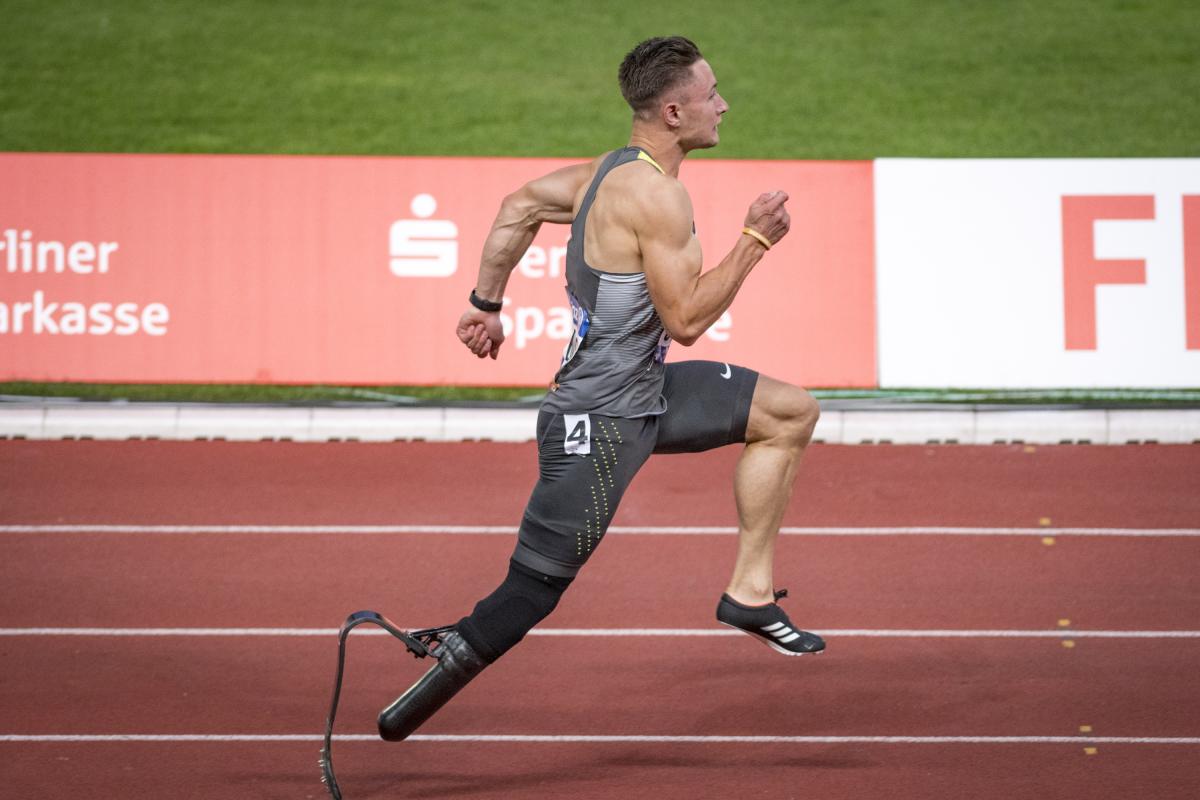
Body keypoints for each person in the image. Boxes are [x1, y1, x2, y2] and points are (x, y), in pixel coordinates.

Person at [377, 35, 823, 742]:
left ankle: (749, 591)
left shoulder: (606, 172)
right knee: (532, 592)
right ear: (674, 112)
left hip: (645, 395)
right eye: (712, 95)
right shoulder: (657, 198)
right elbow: (686, 322)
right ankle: (442, 663)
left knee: (789, 412)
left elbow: (519, 204)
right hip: (599, 418)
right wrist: (755, 240)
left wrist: (485, 304)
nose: (724, 104)